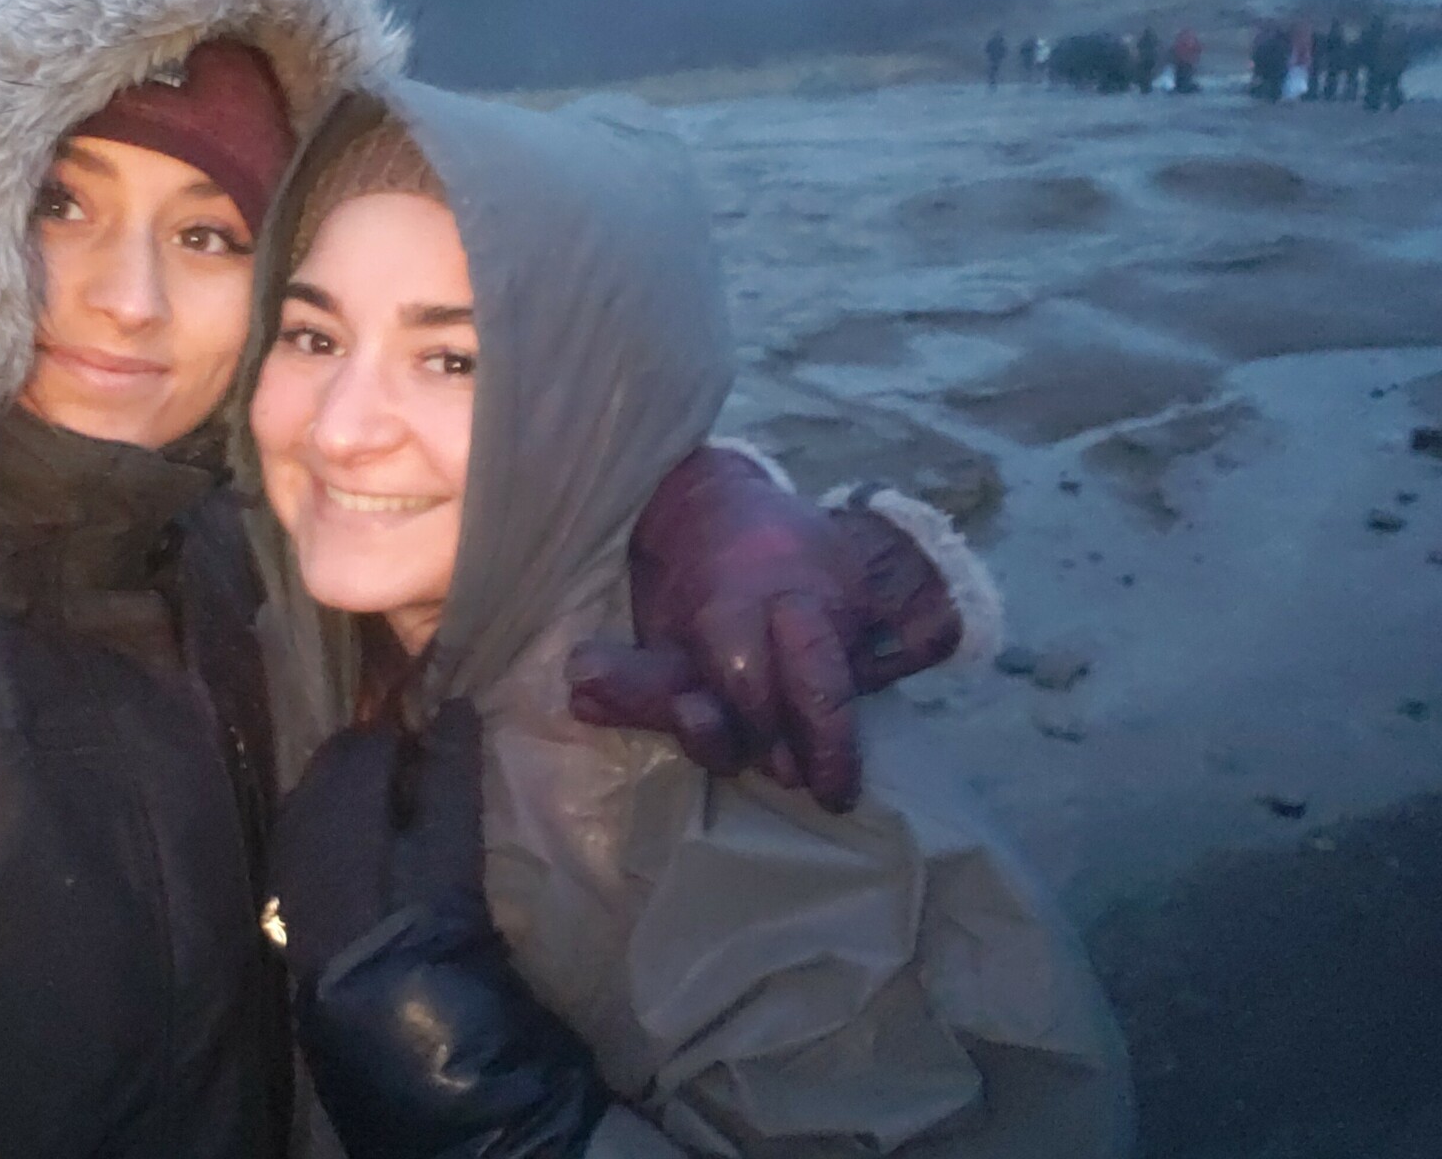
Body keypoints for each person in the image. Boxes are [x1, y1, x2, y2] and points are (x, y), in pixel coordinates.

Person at [0, 0, 984, 1151]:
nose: (128, 299)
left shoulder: (279, 562)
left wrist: (698, 495)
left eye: (210, 234)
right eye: (59, 203)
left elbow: (524, 476)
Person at [241, 88, 1131, 1158]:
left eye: (454, 360)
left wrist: (506, 1130)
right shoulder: (331, 633)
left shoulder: (738, 789)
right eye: (312, 335)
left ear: (604, 406)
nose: (338, 429)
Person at [1366, 20, 1409, 112]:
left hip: (1384, 68)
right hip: (1391, 68)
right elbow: (1402, 57)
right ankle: (1392, 103)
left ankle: (1375, 104)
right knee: (1392, 86)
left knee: (1380, 86)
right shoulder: (1398, 43)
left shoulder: (1382, 41)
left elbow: (1378, 56)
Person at [1321, 19, 1348, 101]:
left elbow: (1326, 47)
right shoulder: (1340, 37)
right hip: (1336, 59)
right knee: (1334, 77)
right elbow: (1343, 48)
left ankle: (1328, 93)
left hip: (1331, 59)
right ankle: (1331, 93)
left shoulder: (1331, 35)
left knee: (1330, 77)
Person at [1171, 26, 1203, 93]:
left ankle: (1183, 87)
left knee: (1183, 75)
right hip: (1185, 63)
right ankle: (1184, 86)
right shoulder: (1190, 41)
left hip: (1183, 63)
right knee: (1184, 75)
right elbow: (1198, 50)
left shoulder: (1180, 41)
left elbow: (1175, 51)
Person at [1136, 24, 1161, 94]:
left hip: (1144, 59)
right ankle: (1148, 87)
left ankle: (1144, 87)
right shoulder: (1153, 38)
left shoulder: (1142, 39)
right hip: (1151, 59)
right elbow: (1157, 45)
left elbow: (1138, 46)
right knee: (1149, 73)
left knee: (1144, 73)